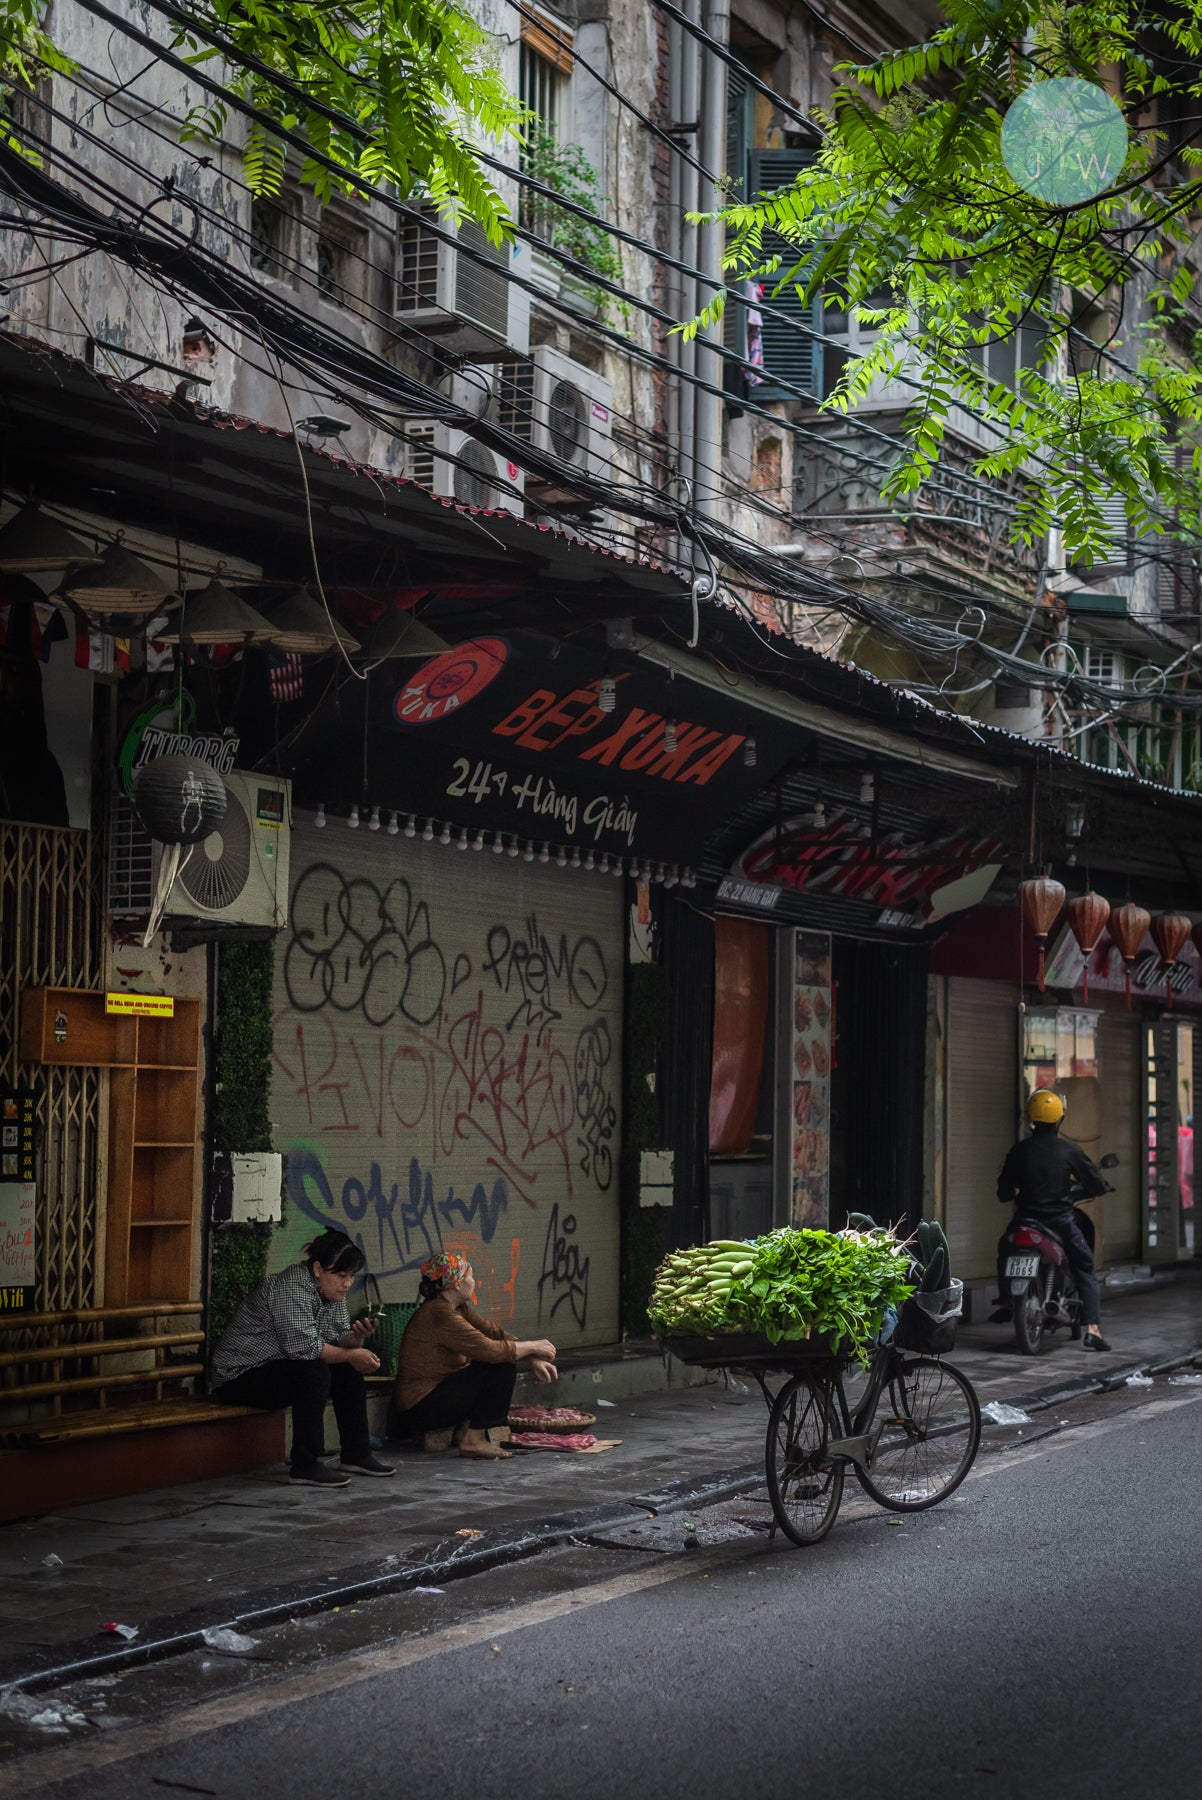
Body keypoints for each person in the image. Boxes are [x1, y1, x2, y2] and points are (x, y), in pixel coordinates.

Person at [210, 1228, 395, 1487]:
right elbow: (305, 1349)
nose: (347, 1283)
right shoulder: (292, 1289)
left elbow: (339, 1336)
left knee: (346, 1367)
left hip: (278, 1367)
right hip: (238, 1377)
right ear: (318, 1269)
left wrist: (356, 1339)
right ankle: (306, 1464)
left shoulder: (330, 1291)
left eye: (351, 1276)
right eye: (341, 1275)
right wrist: (353, 1354)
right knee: (314, 1371)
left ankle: (357, 1454)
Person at [392, 1251, 557, 1460]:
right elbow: (489, 1350)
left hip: (438, 1397)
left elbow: (496, 1335)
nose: (474, 1281)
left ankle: (468, 1432)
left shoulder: (458, 1308)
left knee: (498, 1362)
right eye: (470, 1276)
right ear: (457, 1284)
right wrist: (534, 1346)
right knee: (499, 1367)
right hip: (418, 1409)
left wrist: (532, 1355)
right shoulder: (438, 1313)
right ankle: (473, 1440)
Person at [994, 1088, 1111, 1350]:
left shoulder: (1019, 1151)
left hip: (1025, 1221)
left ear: (1030, 1118)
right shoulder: (1069, 1151)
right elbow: (1095, 1184)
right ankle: (1093, 1329)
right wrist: (1097, 1186)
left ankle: (1004, 1300)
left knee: (1005, 1248)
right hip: (1059, 1222)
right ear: (1060, 1118)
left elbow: (1003, 1193)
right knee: (1084, 1266)